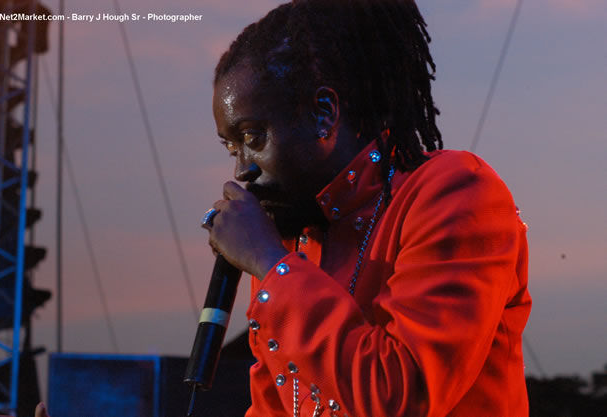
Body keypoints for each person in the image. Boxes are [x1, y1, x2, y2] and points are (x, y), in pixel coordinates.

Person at [204, 0, 531, 416]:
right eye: (232, 147)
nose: (242, 170)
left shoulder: (455, 191)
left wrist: (270, 264)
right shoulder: (293, 238)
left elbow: (400, 396)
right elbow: (272, 405)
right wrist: (273, 261)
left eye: (253, 137)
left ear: (324, 113)